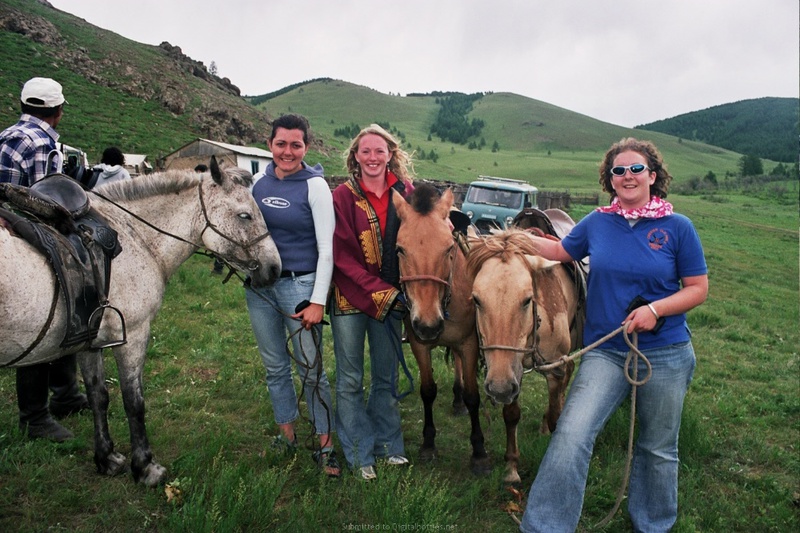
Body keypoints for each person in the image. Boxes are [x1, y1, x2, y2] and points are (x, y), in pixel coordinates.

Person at [519, 138, 709, 533]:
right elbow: (561, 252)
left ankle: (653, 524)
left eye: (636, 168)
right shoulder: (598, 221)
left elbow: (697, 289)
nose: (627, 176)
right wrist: (507, 238)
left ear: (652, 176)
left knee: (657, 446)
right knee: (571, 434)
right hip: (605, 351)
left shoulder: (678, 227)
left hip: (666, 352)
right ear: (610, 180)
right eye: (618, 170)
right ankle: (545, 526)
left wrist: (655, 310)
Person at [244, 114, 340, 477]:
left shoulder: (315, 186)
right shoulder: (257, 183)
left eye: (295, 145)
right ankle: (286, 435)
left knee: (311, 369)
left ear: (306, 147)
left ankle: (326, 445)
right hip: (260, 289)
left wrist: (317, 301)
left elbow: (326, 249)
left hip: (300, 286)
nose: (287, 151)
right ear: (269, 144)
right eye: (281, 144)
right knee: (274, 367)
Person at [0, 77, 88, 442]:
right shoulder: (43, 143)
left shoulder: (8, 134)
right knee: (52, 304)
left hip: (6, 222)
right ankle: (36, 415)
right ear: (58, 111)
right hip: (26, 227)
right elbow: (42, 201)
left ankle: (66, 394)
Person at [330, 124, 415, 480]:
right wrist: (382, 291)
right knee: (350, 379)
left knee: (386, 375)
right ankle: (358, 452)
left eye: (379, 150)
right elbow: (342, 256)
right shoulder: (342, 196)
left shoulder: (406, 192)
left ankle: (388, 445)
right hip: (349, 297)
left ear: (390, 154)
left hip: (392, 300)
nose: (373, 157)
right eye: (365, 151)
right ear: (355, 156)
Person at [194, 163, 225, 274]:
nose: (197, 175)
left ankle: (218, 267)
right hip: (207, 216)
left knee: (219, 241)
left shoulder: (211, 184)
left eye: (198, 173)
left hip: (216, 216)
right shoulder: (200, 184)